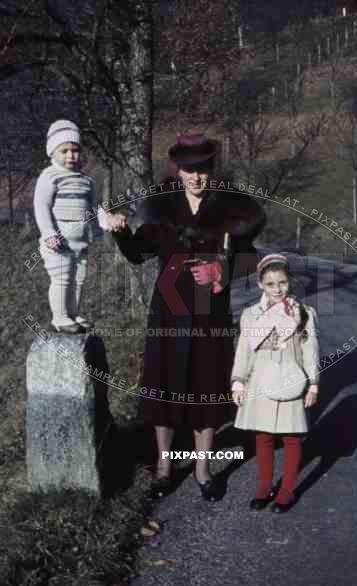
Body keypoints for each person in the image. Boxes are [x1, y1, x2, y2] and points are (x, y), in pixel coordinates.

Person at [99, 133, 265, 500]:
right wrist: (121, 233)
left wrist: (222, 271)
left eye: (202, 169)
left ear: (211, 169)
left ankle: (203, 471)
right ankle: (164, 467)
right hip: (168, 311)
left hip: (210, 311)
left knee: (206, 385)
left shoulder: (229, 207)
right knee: (165, 384)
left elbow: (251, 256)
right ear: (178, 170)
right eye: (189, 169)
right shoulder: (162, 207)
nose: (196, 177)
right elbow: (137, 254)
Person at [231, 253, 320, 513]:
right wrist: (238, 381)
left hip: (292, 380)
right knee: (264, 436)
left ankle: (287, 490)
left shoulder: (303, 313)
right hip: (260, 381)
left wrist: (313, 384)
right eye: (270, 284)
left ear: (289, 281)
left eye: (282, 282)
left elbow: (310, 351)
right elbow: (244, 352)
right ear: (260, 284)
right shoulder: (251, 315)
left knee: (292, 437)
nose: (277, 289)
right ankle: (264, 486)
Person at [34, 119, 101, 333]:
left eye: (75, 150)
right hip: (58, 241)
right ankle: (60, 317)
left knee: (78, 279)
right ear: (52, 152)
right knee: (62, 278)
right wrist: (49, 233)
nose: (71, 155)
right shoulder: (50, 176)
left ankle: (73, 313)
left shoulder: (86, 180)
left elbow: (92, 207)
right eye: (64, 151)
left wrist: (97, 229)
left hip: (80, 240)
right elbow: (41, 206)